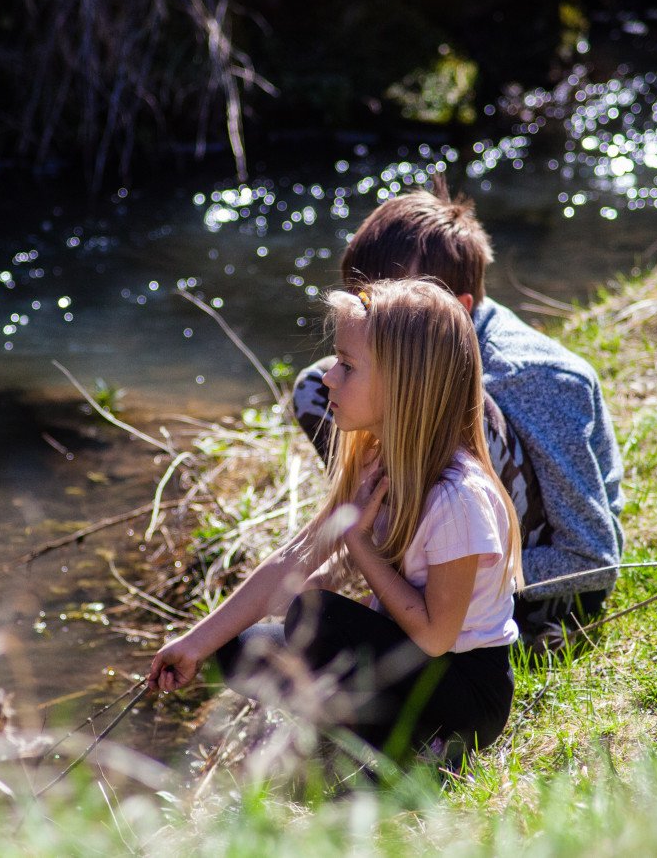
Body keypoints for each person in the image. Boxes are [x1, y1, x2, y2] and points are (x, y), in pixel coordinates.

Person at [149, 279, 522, 757]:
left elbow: (434, 636)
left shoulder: (457, 498)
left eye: (346, 366)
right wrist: (196, 642)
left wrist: (360, 545)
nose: (328, 378)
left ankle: (405, 748)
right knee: (236, 649)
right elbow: (297, 556)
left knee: (317, 613)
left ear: (404, 383)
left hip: (465, 694)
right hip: (412, 665)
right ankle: (365, 736)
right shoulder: (378, 459)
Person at [292, 183, 624, 654]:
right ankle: (395, 546)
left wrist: (457, 579)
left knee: (467, 411)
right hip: (430, 566)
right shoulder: (405, 358)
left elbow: (592, 559)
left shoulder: (535, 378)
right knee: (316, 385)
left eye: (394, 311)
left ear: (460, 307)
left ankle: (415, 576)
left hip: (544, 599)